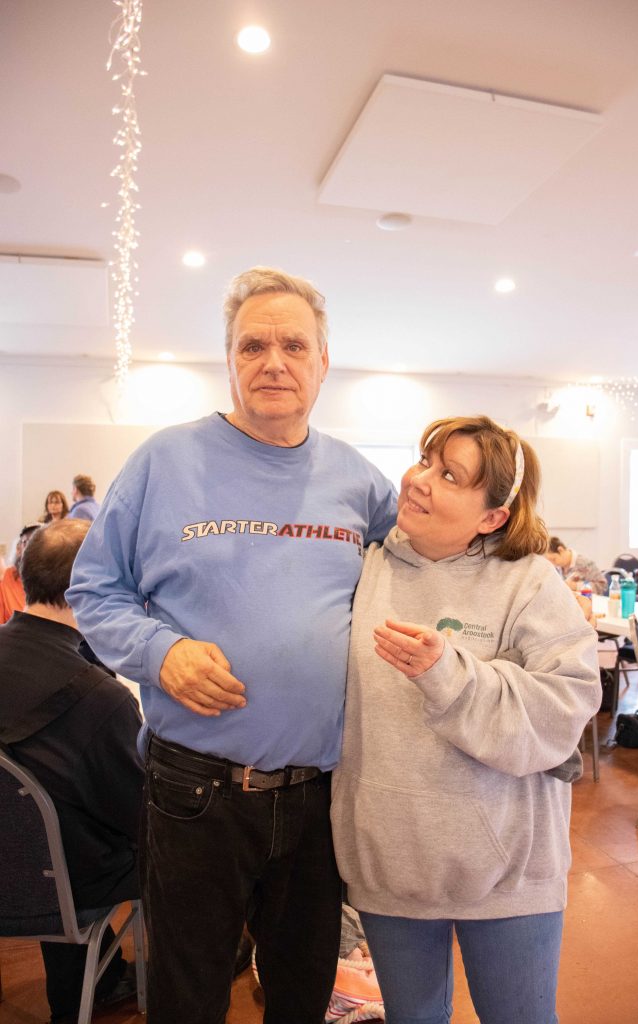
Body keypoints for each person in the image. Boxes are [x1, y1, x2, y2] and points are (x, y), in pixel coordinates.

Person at [66, 266, 397, 1024]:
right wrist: (160, 652)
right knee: (186, 996)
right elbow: (94, 591)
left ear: (322, 363)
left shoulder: (357, 479)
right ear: (229, 361)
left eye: (292, 345)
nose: (272, 361)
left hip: (321, 792)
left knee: (302, 991)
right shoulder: (163, 461)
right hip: (194, 794)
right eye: (253, 345)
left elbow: (422, 567)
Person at [331, 415, 601, 1024]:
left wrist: (450, 674)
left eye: (449, 475)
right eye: (425, 461)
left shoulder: (528, 582)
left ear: (492, 517)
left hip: (508, 872)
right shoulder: (365, 568)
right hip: (390, 863)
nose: (420, 480)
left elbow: (569, 705)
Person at [0, 519, 143, 1024]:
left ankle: (103, 977)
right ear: (95, 584)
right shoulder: (102, 699)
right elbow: (138, 816)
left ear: (23, 576)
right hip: (64, 883)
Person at [0, 523, 41, 623]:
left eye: (39, 543)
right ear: (18, 549)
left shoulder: (56, 579)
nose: (33, 547)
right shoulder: (8, 577)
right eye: (27, 542)